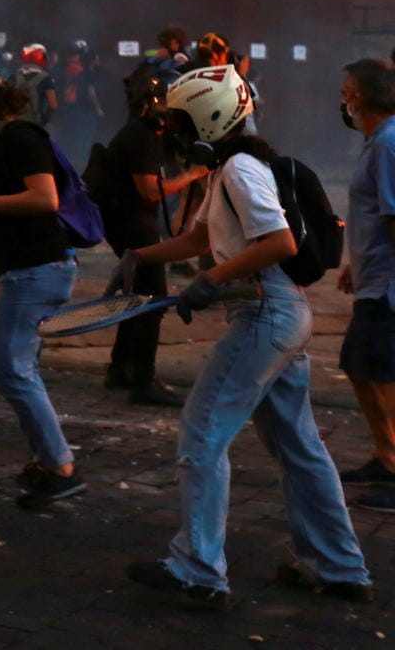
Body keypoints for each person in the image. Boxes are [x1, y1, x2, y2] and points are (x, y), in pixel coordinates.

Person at [116, 65, 372, 607]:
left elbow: (277, 242)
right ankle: (341, 567)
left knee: (202, 433)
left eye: (179, 124)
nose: (173, 136)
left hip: (265, 315)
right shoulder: (232, 169)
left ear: (207, 120)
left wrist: (212, 279)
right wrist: (140, 255)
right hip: (279, 315)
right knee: (299, 448)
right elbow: (199, 237)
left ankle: (199, 568)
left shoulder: (238, 170)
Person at [0, 61, 86, 510]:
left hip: (37, 271)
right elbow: (17, 206)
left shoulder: (20, 138)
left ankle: (60, 466)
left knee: (11, 372)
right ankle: (47, 462)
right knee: (23, 370)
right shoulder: (5, 142)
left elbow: (45, 199)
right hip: (31, 268)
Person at [95, 62, 206, 408]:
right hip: (132, 222)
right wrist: (192, 174)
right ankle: (143, 379)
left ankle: (120, 368)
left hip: (128, 220)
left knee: (137, 295)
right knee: (153, 298)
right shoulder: (141, 136)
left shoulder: (143, 132)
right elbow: (151, 192)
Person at [337, 59, 395, 511]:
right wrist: (355, 263)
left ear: (364, 96)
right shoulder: (376, 143)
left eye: (349, 90)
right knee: (362, 365)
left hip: (389, 284)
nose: (344, 98)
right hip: (373, 276)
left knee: (378, 370)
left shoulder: (389, 144)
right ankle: (386, 455)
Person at [13, 43, 57, 127]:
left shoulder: (14, 77)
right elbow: (53, 105)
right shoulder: (46, 78)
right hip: (36, 125)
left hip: (16, 123)